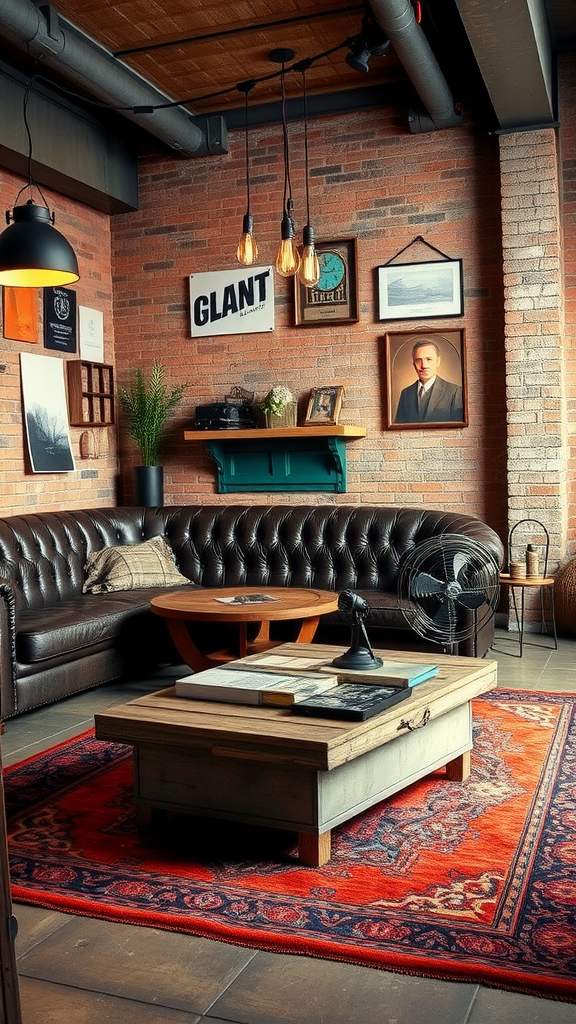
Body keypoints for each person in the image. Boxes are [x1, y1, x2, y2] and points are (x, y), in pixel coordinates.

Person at [394, 339, 463, 423]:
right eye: (418, 360)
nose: (424, 365)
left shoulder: (455, 392)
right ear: (413, 363)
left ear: (438, 361)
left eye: (429, 359)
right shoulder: (406, 393)